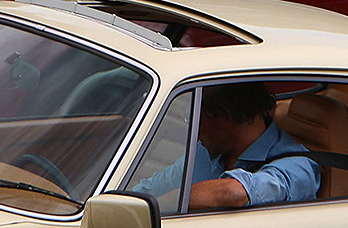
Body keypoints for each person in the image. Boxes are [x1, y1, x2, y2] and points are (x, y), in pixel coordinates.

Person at [131, 82, 322, 210]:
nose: (193, 131)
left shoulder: (298, 166)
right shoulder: (205, 151)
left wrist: (165, 204)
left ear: (224, 117)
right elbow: (153, 188)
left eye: (196, 119)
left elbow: (233, 193)